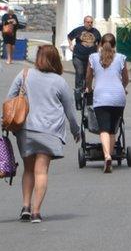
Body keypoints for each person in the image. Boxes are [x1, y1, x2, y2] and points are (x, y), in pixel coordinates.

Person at [7, 45, 80, 224]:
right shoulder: (60, 82)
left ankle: (25, 206)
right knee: (42, 171)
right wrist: (75, 130)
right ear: (55, 59)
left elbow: (10, 98)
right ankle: (36, 212)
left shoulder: (24, 74)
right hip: (49, 130)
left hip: (25, 130)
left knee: (29, 169)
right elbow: (70, 110)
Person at [85, 34, 129, 173]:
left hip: (101, 96)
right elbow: (126, 79)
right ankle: (108, 158)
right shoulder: (121, 58)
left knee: (103, 128)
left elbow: (88, 77)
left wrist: (89, 88)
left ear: (100, 44)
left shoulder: (93, 57)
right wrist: (122, 87)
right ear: (115, 45)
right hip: (118, 97)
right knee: (112, 129)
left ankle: (107, 156)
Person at [67, 16, 100, 109]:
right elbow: (69, 36)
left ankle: (87, 95)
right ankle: (78, 98)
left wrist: (97, 51)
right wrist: (70, 45)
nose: (89, 24)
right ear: (84, 22)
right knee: (80, 72)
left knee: (88, 76)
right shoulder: (78, 30)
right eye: (88, 22)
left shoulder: (96, 32)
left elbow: (99, 42)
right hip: (78, 57)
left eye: (91, 22)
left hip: (90, 59)